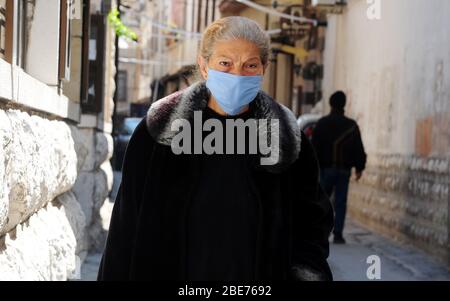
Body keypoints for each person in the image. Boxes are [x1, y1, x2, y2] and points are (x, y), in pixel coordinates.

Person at [98, 16, 333, 281]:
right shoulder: (159, 130)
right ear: (204, 65)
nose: (237, 74)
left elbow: (312, 225)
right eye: (225, 63)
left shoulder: (286, 137)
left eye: (250, 65)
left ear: (264, 68)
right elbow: (125, 225)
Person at [312, 91, 367, 244]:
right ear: (343, 104)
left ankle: (321, 232)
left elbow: (314, 148)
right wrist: (359, 167)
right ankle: (338, 234)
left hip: (326, 170)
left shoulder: (322, 124)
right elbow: (358, 148)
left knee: (323, 201)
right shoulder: (351, 126)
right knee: (340, 202)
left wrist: (313, 168)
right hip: (344, 170)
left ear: (330, 104)